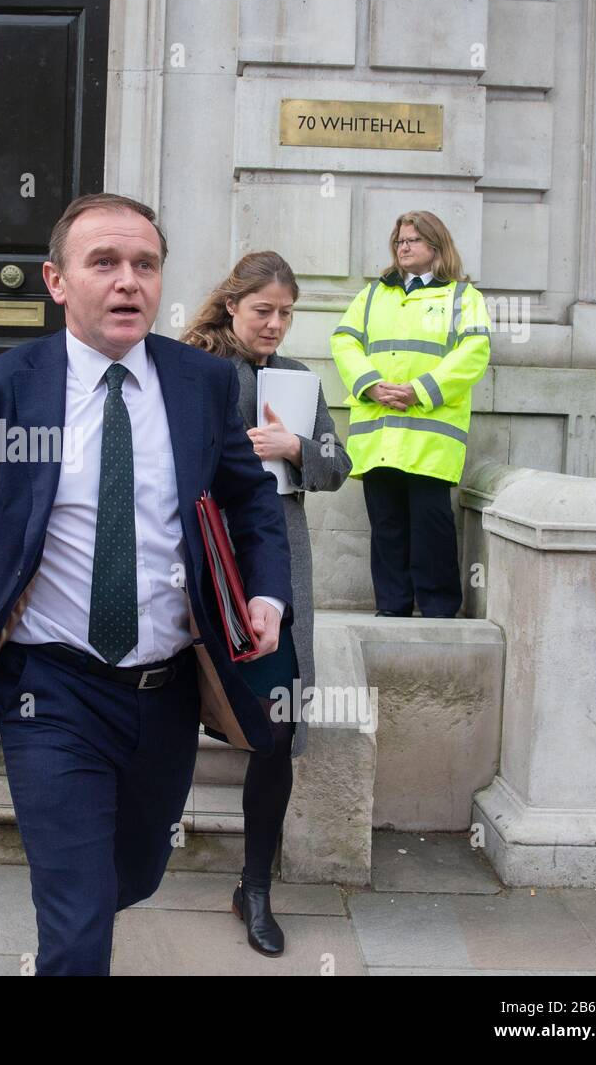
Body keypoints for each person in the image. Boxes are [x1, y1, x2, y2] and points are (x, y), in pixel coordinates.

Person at [0, 193, 293, 976]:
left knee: (136, 873)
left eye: (145, 265)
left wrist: (267, 593)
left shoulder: (201, 385)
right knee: (78, 926)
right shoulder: (1, 388)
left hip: (167, 687)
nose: (129, 282)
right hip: (47, 688)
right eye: (105, 264)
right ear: (55, 281)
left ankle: (91, 888)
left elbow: (252, 499)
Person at [182, 251, 351, 957]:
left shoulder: (300, 380)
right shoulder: (191, 368)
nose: (276, 324)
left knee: (276, 728)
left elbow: (340, 467)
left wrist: (299, 446)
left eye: (286, 313)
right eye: (264, 311)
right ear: (232, 306)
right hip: (197, 559)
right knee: (157, 706)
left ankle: (254, 887)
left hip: (276, 566)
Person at [330, 210, 491, 618]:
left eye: (413, 240)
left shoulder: (462, 297)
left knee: (431, 527)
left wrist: (419, 391)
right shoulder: (371, 295)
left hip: (429, 438)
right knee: (386, 527)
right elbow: (344, 341)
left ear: (436, 246)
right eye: (400, 240)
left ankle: (439, 610)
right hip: (379, 432)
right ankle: (392, 608)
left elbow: (473, 355)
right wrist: (370, 383)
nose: (403, 246)